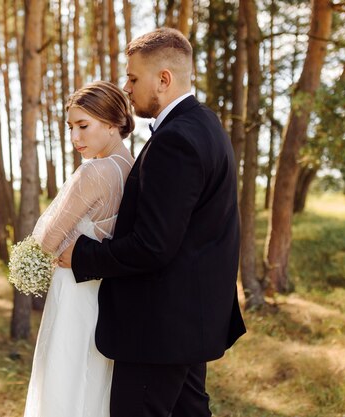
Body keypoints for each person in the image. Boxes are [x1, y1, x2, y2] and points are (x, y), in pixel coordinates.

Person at [59, 28, 246, 416]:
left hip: (159, 329)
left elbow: (153, 245)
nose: (126, 87)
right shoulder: (206, 125)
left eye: (132, 78)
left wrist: (83, 255)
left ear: (164, 79)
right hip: (189, 321)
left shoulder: (176, 140)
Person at [22, 80, 135, 417]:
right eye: (71, 127)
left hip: (74, 291)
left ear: (113, 123)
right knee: (95, 381)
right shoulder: (132, 168)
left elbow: (48, 240)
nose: (75, 138)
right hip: (106, 295)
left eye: (84, 126)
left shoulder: (94, 173)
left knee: (65, 377)